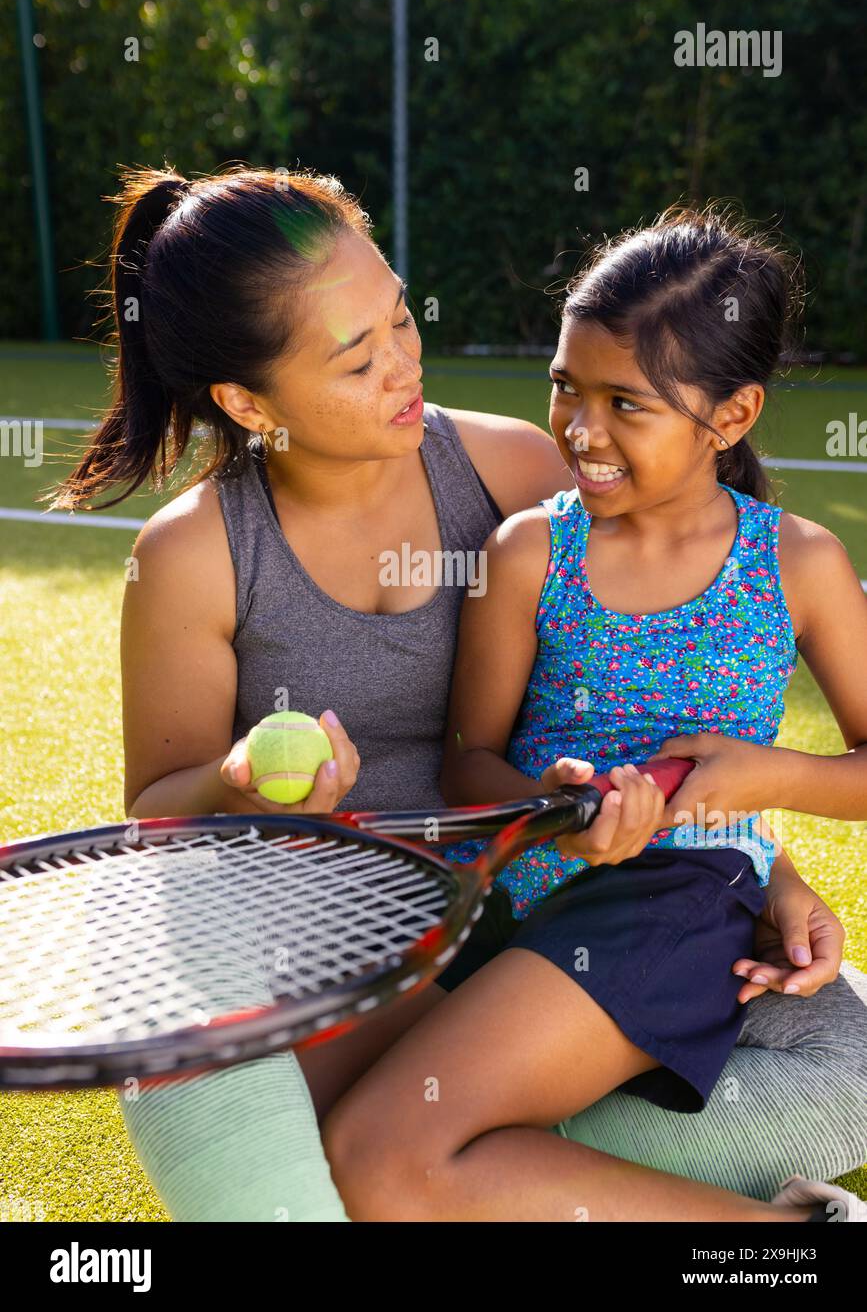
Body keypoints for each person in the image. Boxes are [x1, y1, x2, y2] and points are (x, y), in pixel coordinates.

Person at [50, 170, 867, 1221]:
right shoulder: (194, 555)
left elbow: (625, 712)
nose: (403, 366)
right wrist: (242, 781)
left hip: (531, 916)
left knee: (839, 1054)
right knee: (356, 1125)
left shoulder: (512, 471)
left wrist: (769, 869)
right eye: (357, 358)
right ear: (249, 402)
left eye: (400, 316)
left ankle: (486, 1174)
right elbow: (159, 813)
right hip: (335, 944)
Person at [320, 207, 867, 1220]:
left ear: (732, 416)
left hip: (678, 900)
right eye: (566, 387)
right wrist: (552, 804)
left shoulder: (799, 563)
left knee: (377, 1154)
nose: (581, 429)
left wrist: (767, 775)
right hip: (517, 894)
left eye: (626, 402)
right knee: (380, 1143)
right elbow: (468, 762)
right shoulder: (530, 551)